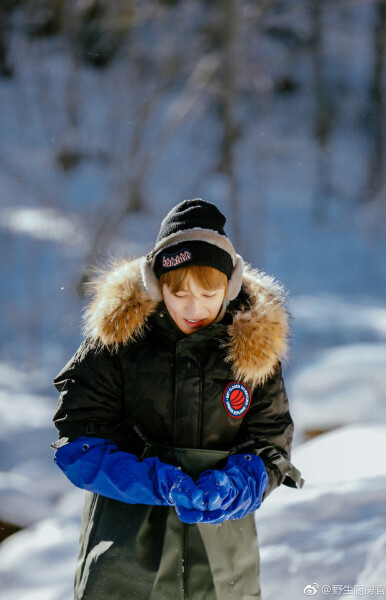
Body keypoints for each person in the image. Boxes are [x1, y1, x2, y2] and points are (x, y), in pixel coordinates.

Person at [52, 198, 304, 600]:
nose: (194, 307)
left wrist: (238, 484)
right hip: (125, 552)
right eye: (179, 291)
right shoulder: (118, 342)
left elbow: (271, 442)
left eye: (209, 292)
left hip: (222, 559)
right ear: (157, 284)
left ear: (230, 285)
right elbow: (78, 443)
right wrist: (153, 480)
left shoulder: (254, 352)